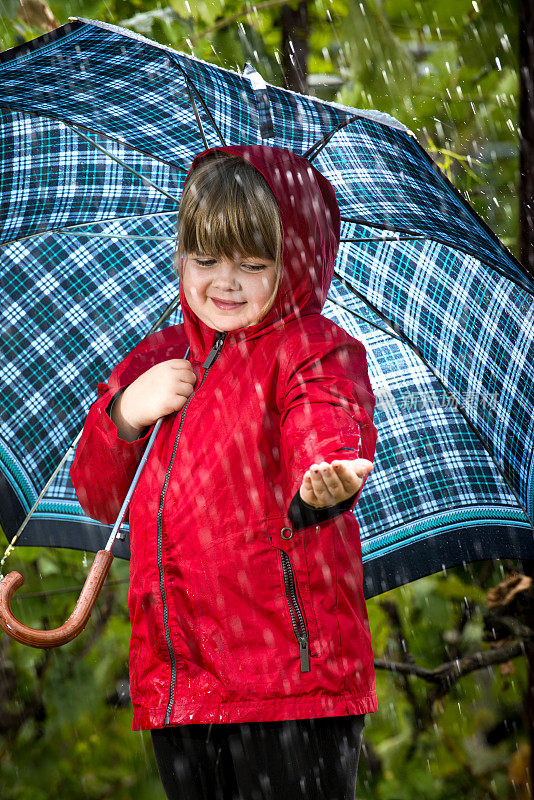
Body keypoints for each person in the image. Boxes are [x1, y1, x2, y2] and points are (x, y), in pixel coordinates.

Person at [70, 144, 378, 800]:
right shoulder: (156, 359)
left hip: (292, 687)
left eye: (252, 263)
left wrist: (324, 472)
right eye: (204, 260)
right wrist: (124, 413)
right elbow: (99, 497)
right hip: (181, 684)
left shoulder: (311, 350)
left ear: (293, 265)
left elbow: (322, 416)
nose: (225, 282)